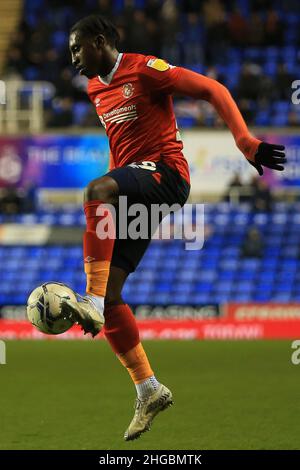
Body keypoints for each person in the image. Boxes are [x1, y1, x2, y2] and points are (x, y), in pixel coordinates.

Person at [62, 14, 286, 441]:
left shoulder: (145, 69)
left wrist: (245, 141)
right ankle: (148, 388)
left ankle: (87, 297)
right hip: (136, 186)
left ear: (101, 41)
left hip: (168, 174)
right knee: (112, 298)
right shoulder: (95, 88)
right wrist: (114, 197)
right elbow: (120, 150)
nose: (72, 57)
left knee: (95, 191)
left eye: (77, 48)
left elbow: (212, 89)